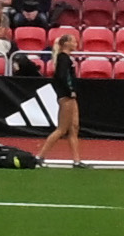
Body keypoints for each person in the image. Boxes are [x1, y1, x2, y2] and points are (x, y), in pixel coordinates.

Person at [30, 32, 89, 169]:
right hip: (66, 97)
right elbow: (62, 77)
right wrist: (69, 91)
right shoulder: (63, 58)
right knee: (62, 129)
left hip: (70, 97)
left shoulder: (66, 58)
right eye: (73, 41)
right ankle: (40, 156)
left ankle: (76, 160)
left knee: (74, 128)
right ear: (66, 44)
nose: (76, 44)